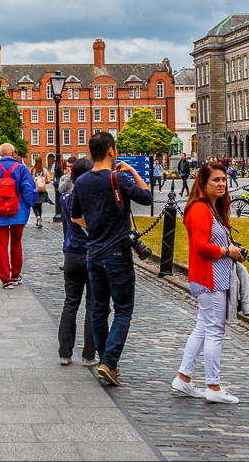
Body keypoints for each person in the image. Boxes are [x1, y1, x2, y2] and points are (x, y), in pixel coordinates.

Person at [68, 131, 153, 386]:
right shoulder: (118, 179)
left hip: (93, 252)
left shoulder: (81, 182)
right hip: (117, 254)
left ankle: (107, 362)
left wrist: (94, 227)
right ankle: (109, 361)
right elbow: (147, 197)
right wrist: (134, 173)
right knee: (124, 310)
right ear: (111, 151)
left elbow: (74, 216)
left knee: (98, 311)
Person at [173, 162, 244, 404]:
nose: (222, 183)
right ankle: (213, 386)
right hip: (209, 278)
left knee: (203, 327)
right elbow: (201, 246)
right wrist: (227, 252)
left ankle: (184, 377)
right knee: (215, 331)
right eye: (216, 180)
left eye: (224, 179)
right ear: (203, 184)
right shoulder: (200, 209)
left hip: (214, 276)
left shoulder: (212, 208)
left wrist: (231, 250)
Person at [0, 143, 38, 289]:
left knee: (2, 246)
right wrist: (27, 205)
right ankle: (15, 275)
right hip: (18, 211)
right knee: (16, 244)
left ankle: (5, 279)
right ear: (14, 153)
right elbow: (30, 189)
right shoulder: (21, 168)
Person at [58, 157, 97, 367]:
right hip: (92, 254)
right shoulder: (95, 200)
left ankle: (64, 352)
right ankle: (89, 355)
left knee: (70, 303)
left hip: (72, 253)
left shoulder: (66, 198)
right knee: (92, 306)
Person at [30, 155, 49, 229]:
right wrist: (43, 182)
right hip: (42, 190)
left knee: (34, 205)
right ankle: (39, 219)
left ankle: (38, 217)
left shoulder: (32, 170)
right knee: (40, 205)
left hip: (34, 190)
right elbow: (49, 180)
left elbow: (29, 180)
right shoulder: (44, 170)